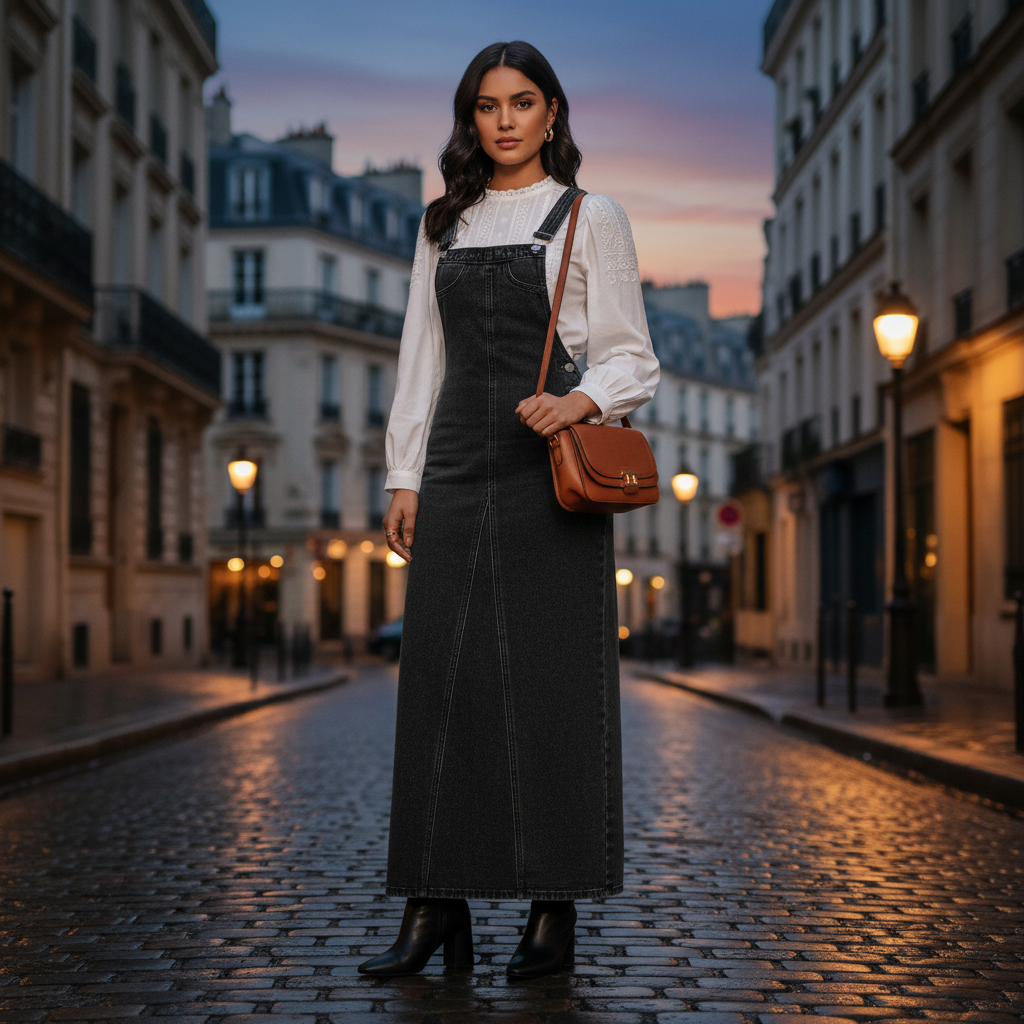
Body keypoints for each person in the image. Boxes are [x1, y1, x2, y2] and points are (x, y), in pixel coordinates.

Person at [358, 40, 659, 980]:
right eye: (487, 105)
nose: (505, 119)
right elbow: (421, 360)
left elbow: (631, 356)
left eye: (523, 102)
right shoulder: (441, 223)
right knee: (440, 685)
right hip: (453, 462)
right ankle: (435, 903)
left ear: (553, 114)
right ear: (470, 118)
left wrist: (578, 402)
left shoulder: (589, 216)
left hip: (549, 471)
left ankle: (552, 913)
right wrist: (403, 477)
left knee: (553, 686)